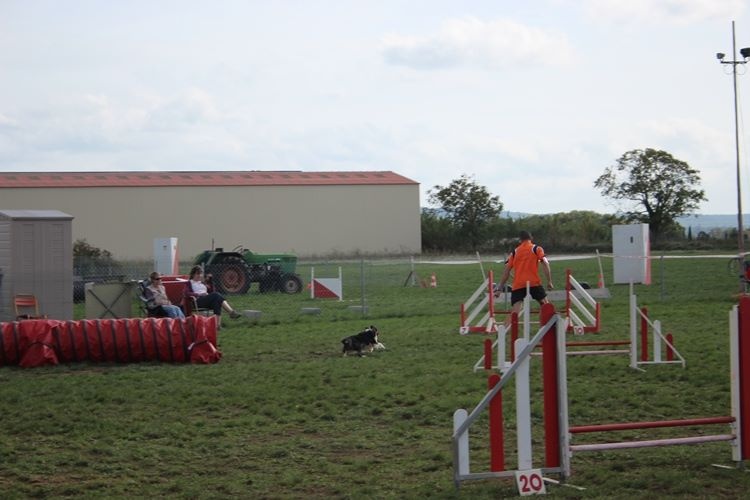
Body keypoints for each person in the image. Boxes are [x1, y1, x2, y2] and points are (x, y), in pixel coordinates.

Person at [496, 231, 554, 323]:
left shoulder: (514, 252)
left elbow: (506, 270)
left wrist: (500, 288)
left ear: (520, 240)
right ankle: (547, 329)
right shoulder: (536, 248)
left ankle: (502, 331)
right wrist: (549, 281)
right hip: (534, 283)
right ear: (531, 238)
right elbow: (545, 264)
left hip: (518, 284)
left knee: (515, 311)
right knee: (546, 306)